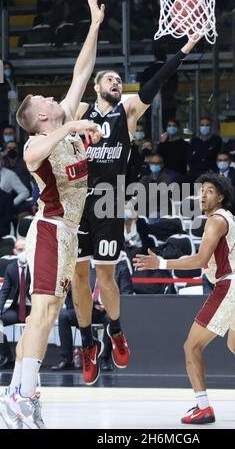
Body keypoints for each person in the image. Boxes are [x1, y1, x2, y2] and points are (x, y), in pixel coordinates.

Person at [0, 0, 103, 430]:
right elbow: (32, 155)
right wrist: (76, 125)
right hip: (48, 228)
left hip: (67, 234)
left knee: (46, 311)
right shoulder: (36, 143)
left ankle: (19, 393)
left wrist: (95, 25)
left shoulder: (59, 119)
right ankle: (21, 393)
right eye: (44, 101)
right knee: (41, 312)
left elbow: (82, 70)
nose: (51, 98)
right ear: (39, 117)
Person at [73, 34, 200, 385]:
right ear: (97, 86)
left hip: (110, 200)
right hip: (77, 201)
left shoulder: (126, 111)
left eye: (118, 80)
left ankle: (115, 331)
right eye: (109, 79)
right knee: (78, 280)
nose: (115, 83)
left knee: (106, 278)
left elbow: (156, 81)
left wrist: (185, 49)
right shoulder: (81, 113)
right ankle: (87, 343)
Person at [134, 173, 235, 425]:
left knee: (191, 347)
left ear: (221, 196)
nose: (202, 195)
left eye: (209, 191)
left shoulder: (215, 220)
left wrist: (159, 262)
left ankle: (203, 408)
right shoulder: (233, 220)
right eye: (201, 190)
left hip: (231, 284)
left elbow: (199, 261)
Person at [0, 239, 31, 369]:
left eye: (24, 249)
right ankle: (7, 355)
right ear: (14, 251)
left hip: (34, 308)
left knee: (35, 326)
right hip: (17, 308)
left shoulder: (35, 267)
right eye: (19, 249)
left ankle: (31, 359)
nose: (22, 252)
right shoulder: (11, 268)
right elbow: (4, 292)